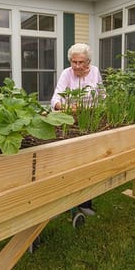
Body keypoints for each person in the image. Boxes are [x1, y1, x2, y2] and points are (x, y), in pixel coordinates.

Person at [50, 43, 103, 216]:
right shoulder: (67, 73)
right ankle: (61, 202)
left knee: (89, 163)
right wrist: (61, 106)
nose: (77, 66)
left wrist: (85, 107)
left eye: (81, 62)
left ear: (88, 61)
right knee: (67, 163)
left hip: (90, 122)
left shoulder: (94, 72)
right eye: (74, 62)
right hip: (69, 122)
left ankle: (85, 203)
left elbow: (102, 96)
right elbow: (56, 97)